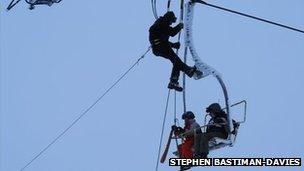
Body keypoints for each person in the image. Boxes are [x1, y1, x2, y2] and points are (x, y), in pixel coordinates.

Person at [149, 11, 201, 92]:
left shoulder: (161, 24)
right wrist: (180, 26)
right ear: (168, 19)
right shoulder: (162, 23)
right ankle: (187, 71)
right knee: (176, 60)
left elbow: (162, 39)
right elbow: (172, 32)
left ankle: (175, 80)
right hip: (161, 47)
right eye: (171, 21)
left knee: (175, 61)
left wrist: (174, 45)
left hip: (159, 48)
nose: (171, 23)